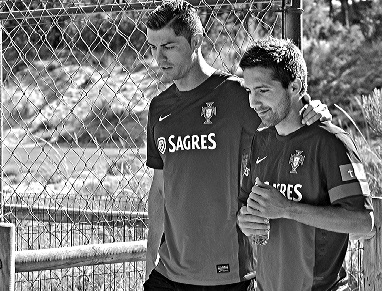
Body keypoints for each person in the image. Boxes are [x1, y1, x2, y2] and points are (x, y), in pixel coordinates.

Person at [144, 1, 331, 290]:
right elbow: (159, 189)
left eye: (168, 46)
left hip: (228, 274)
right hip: (167, 274)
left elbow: (287, 115)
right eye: (153, 47)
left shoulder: (238, 94)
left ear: (195, 41)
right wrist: (149, 263)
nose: (159, 57)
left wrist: (313, 109)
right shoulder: (159, 108)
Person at [237, 37, 374, 291]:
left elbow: (363, 222)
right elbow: (246, 208)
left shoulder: (331, 142)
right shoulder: (259, 140)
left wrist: (287, 208)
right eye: (249, 91)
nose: (253, 102)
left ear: (295, 86)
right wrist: (245, 221)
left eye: (263, 90)